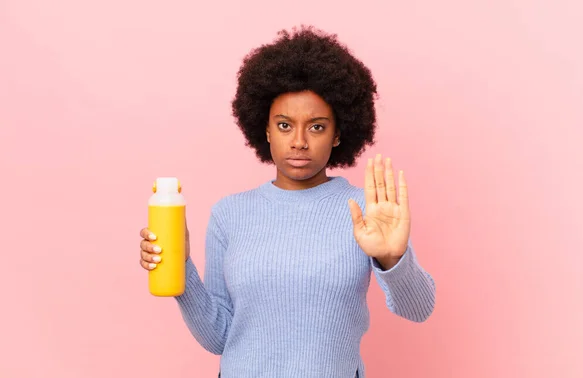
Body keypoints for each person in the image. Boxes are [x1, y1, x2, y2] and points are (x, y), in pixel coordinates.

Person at [138, 26, 435, 378]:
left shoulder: (368, 211)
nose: (298, 142)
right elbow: (220, 338)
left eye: (317, 127)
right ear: (264, 129)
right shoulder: (230, 214)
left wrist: (393, 257)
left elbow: (419, 310)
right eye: (283, 125)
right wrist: (181, 267)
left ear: (339, 133)